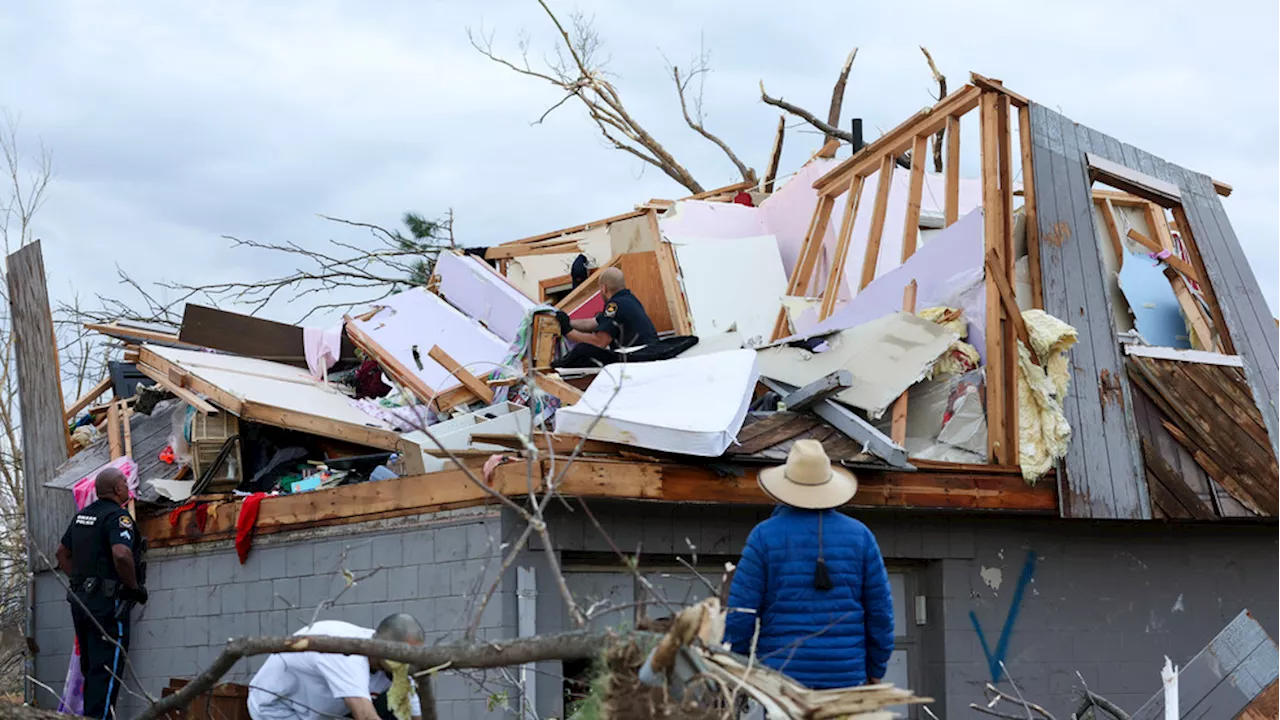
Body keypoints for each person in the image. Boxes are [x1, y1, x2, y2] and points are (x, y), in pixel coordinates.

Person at [723, 439, 894, 689]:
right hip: (846, 676)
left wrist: (734, 662)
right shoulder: (861, 536)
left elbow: (741, 614)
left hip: (782, 681)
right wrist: (876, 668)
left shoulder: (764, 536)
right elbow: (880, 613)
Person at [55, 467, 146, 720]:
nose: (128, 488)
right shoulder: (118, 518)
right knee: (106, 673)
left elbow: (61, 554)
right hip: (108, 605)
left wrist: (81, 582)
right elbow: (121, 554)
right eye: (125, 484)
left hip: (81, 603)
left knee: (92, 669)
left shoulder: (81, 517)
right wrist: (133, 587)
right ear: (118, 489)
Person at [248, 614, 426, 720]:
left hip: (317, 713)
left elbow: (415, 713)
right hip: (277, 709)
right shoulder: (347, 655)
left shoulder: (394, 663)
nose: (407, 664)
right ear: (387, 647)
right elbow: (365, 716)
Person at [552, 266, 659, 369]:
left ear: (603, 288)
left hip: (638, 356)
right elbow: (594, 323)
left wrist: (569, 332)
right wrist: (568, 322)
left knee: (583, 350)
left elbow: (600, 342)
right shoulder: (629, 300)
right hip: (650, 351)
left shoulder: (613, 305)